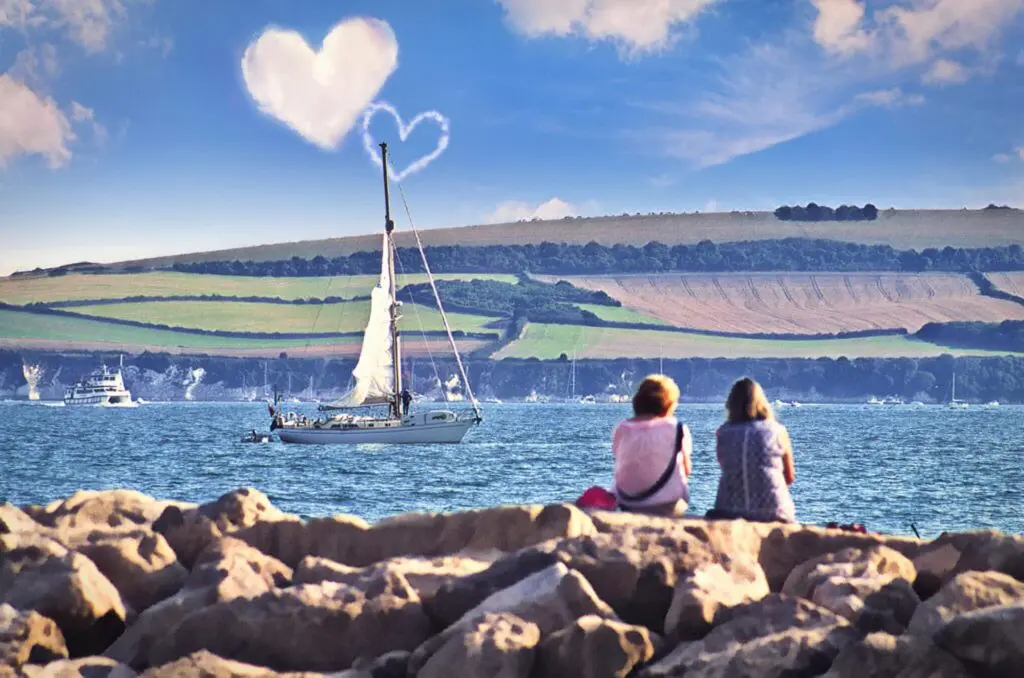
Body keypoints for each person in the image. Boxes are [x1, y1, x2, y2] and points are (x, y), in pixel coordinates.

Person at [709, 378, 796, 523]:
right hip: (775, 512)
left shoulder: (723, 432)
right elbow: (789, 477)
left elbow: (728, 468)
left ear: (731, 404)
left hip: (729, 511)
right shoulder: (777, 431)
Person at [612, 374, 692, 516]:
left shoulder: (622, 428)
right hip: (668, 504)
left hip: (627, 501)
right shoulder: (678, 428)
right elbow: (687, 469)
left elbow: (618, 457)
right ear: (669, 405)